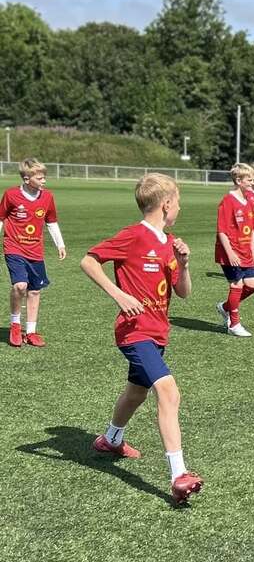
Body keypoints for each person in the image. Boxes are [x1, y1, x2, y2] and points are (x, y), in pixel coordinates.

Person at [80, 173, 203, 504]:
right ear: (166, 204)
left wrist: (184, 264)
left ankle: (110, 440)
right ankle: (179, 475)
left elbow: (183, 292)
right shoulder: (133, 236)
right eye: (178, 203)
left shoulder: (170, 243)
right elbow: (88, 261)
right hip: (134, 332)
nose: (180, 208)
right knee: (169, 392)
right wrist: (118, 294)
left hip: (158, 333)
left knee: (136, 392)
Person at [3, 158, 65, 347]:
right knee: (20, 286)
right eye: (40, 178)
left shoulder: (47, 197)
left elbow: (51, 222)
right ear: (26, 179)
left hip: (35, 251)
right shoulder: (11, 195)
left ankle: (30, 332)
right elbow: (1, 217)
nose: (44, 180)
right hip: (14, 247)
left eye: (44, 177)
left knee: (35, 290)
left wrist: (60, 244)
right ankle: (15, 325)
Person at [214, 163, 254, 337]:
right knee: (237, 284)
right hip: (231, 252)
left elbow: (251, 230)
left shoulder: (249, 200)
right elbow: (222, 231)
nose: (252, 182)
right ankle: (234, 324)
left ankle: (225, 307)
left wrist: (253, 252)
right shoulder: (228, 201)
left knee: (253, 285)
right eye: (249, 179)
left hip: (246, 251)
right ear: (239, 181)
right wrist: (230, 253)